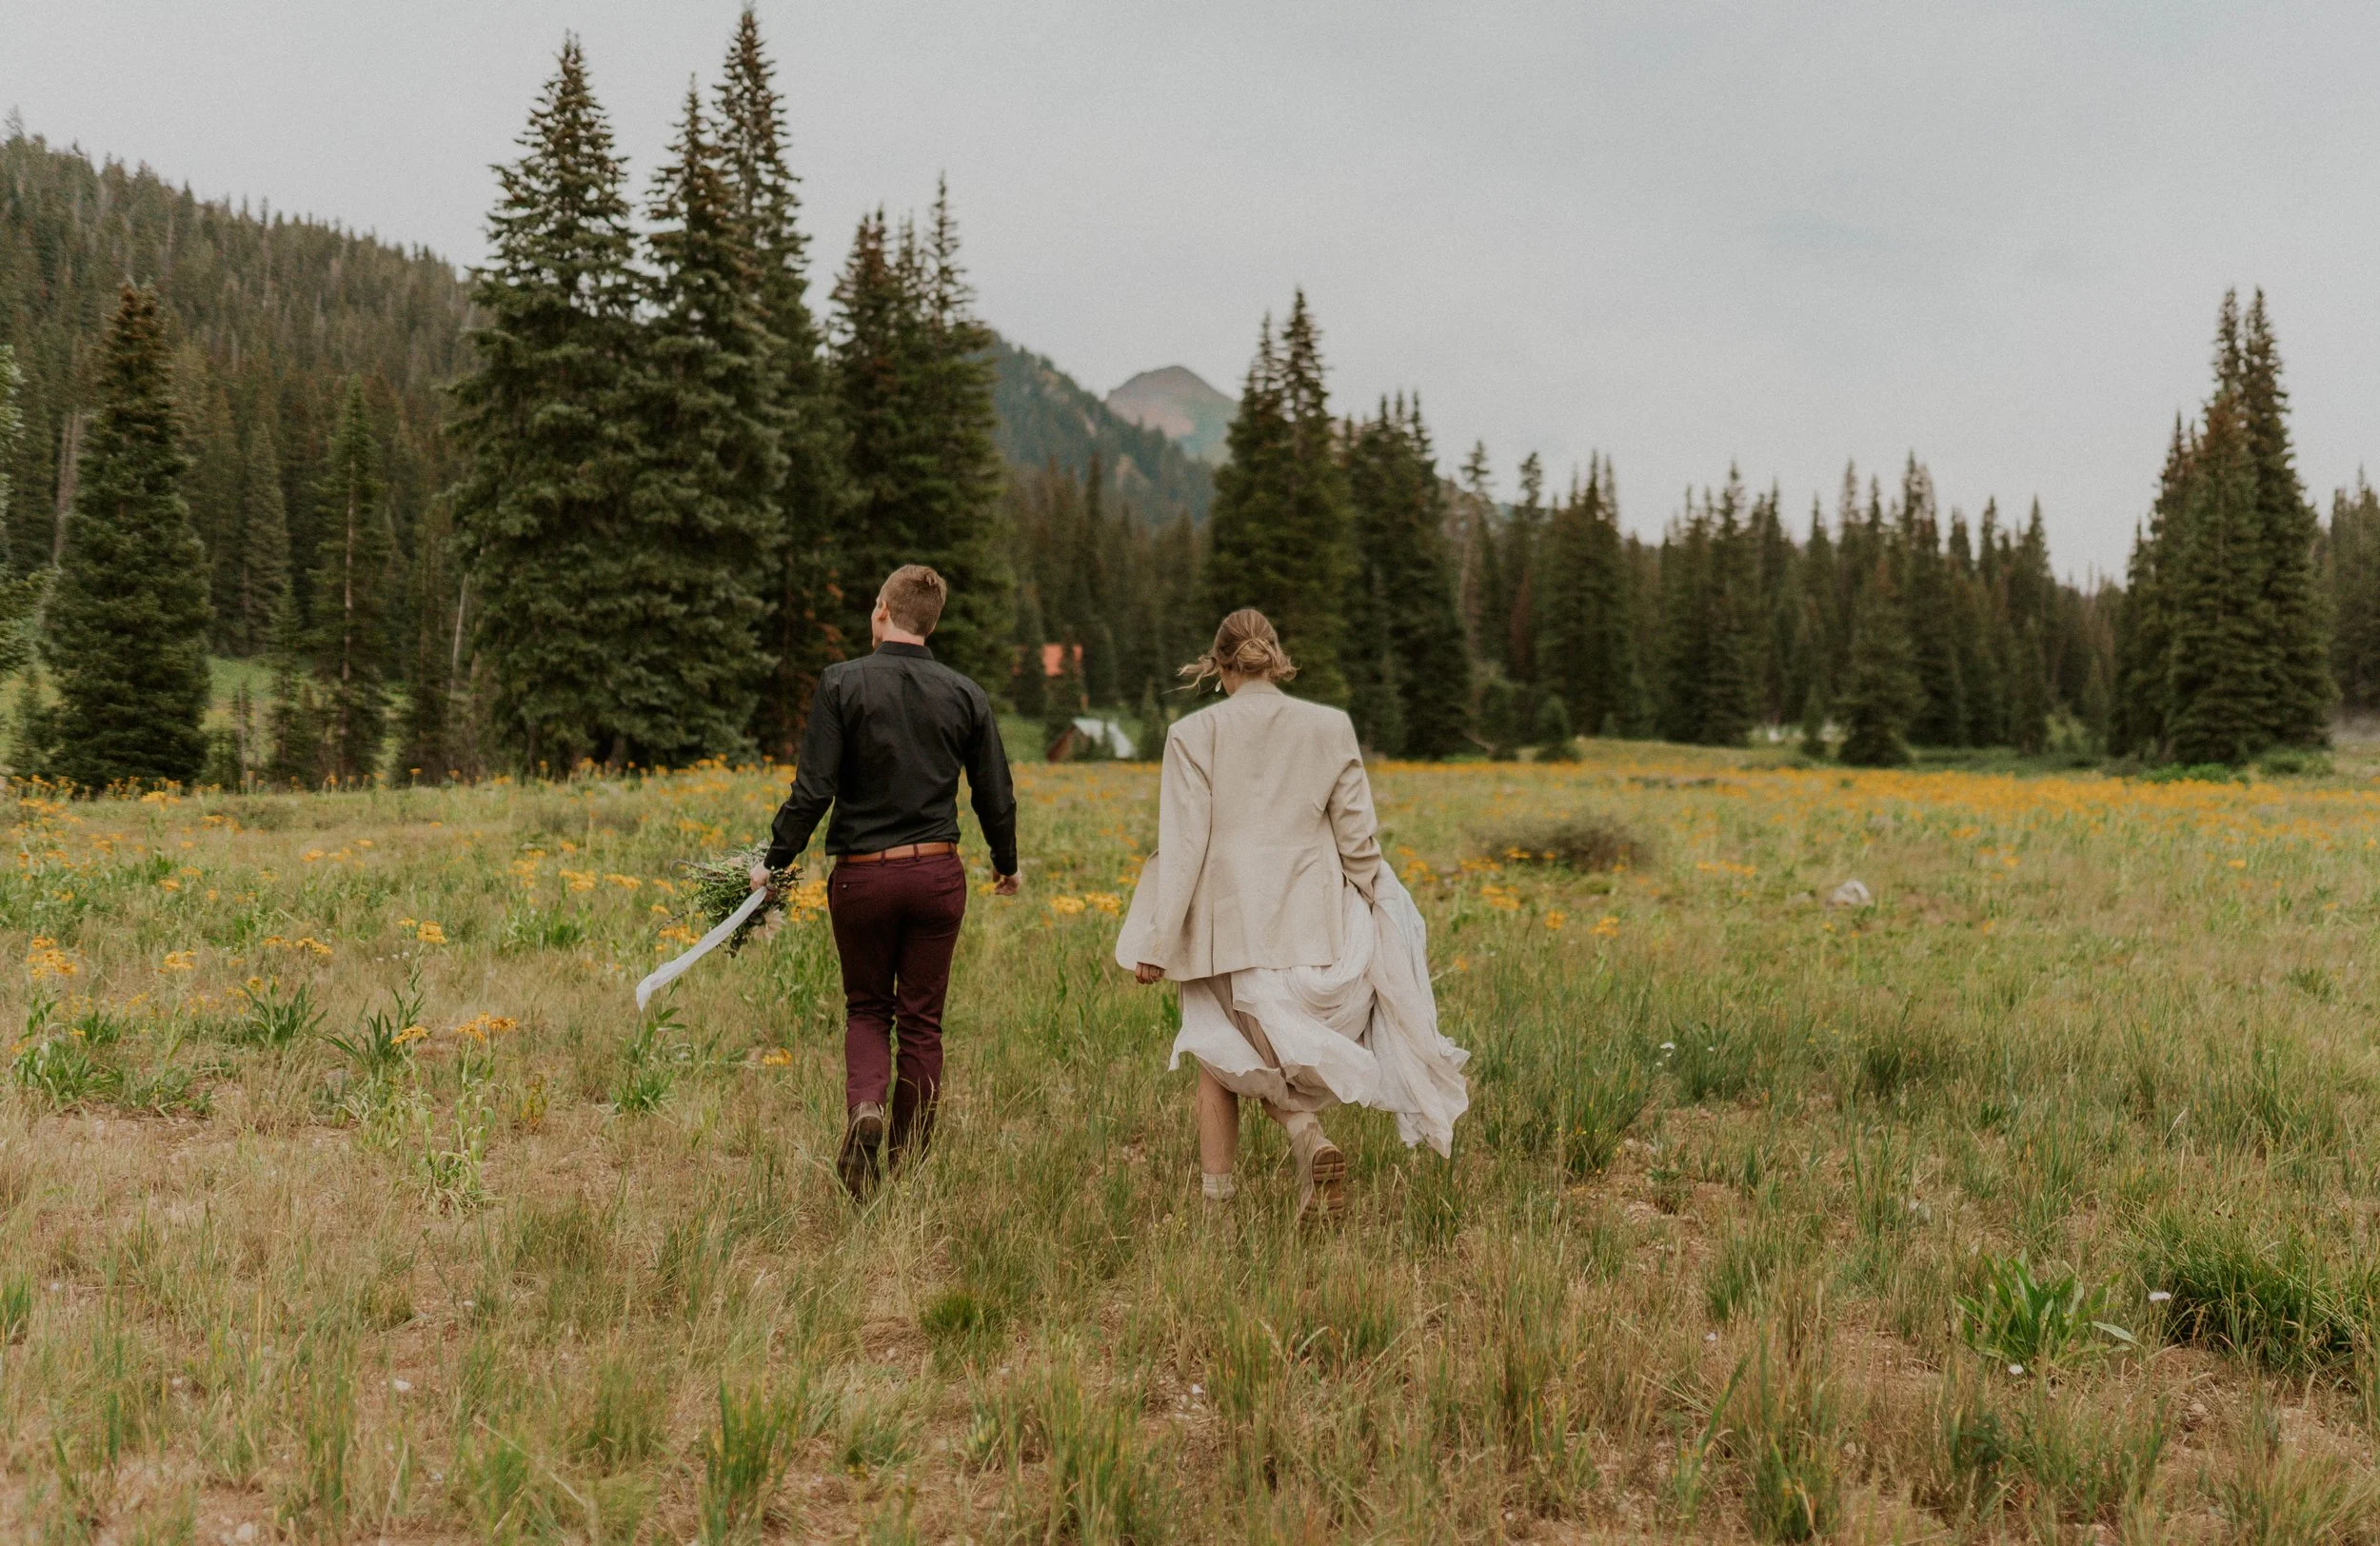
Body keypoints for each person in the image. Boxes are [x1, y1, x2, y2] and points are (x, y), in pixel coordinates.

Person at [1115, 608, 1468, 1215]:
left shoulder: (1193, 736)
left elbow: (1184, 848)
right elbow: (1359, 846)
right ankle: (1306, 1144)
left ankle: (1221, 1208)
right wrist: (1377, 912)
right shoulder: (1330, 728)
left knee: (1218, 1056)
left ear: (1220, 666)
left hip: (1229, 931)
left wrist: (1157, 939)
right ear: (1275, 658)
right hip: (1316, 931)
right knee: (1255, 1054)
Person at [755, 565, 1020, 1198]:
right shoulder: (964, 694)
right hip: (935, 874)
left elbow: (814, 788)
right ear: (931, 622)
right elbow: (995, 791)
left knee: (868, 1009)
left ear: (881, 610)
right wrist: (1005, 860)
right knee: (922, 1022)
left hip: (863, 880)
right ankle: (903, 1168)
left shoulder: (841, 683)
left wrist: (777, 857)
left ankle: (865, 1109)